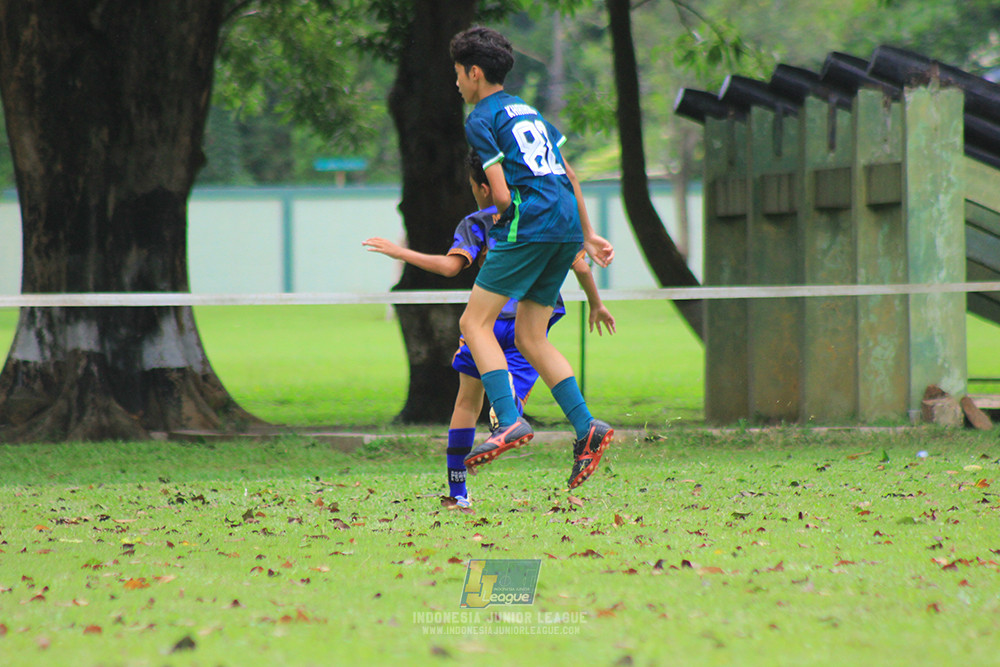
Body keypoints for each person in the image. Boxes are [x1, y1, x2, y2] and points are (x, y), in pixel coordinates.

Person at [363, 150, 615, 507]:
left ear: (485, 187)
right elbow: (583, 267)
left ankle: (459, 489)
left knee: (467, 400)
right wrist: (596, 304)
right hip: (528, 324)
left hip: (486, 322)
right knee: (524, 367)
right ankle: (517, 415)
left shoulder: (478, 222)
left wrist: (401, 252)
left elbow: (451, 267)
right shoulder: (541, 220)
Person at [449, 26, 616, 490]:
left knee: (473, 325)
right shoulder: (530, 111)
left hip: (532, 223)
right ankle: (587, 428)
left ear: (475, 73)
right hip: (564, 225)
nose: (458, 83)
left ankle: (508, 419)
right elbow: (568, 171)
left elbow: (500, 193)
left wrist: (505, 225)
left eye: (459, 75)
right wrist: (587, 235)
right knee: (530, 335)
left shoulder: (481, 117)